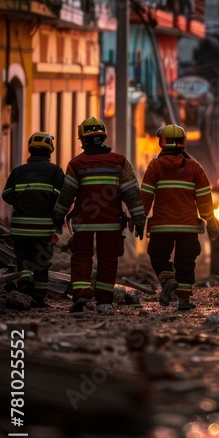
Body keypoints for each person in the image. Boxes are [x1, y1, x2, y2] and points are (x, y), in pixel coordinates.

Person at [52, 117, 146, 314]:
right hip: (111, 223)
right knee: (108, 260)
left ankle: (81, 294)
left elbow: (67, 195)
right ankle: (104, 303)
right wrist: (138, 219)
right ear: (102, 137)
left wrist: (58, 216)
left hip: (83, 222)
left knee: (81, 257)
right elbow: (131, 193)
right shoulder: (119, 162)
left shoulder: (76, 164)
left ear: (82, 139)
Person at [140, 124, 219, 312]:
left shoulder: (155, 166)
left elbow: (145, 197)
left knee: (158, 257)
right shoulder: (194, 167)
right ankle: (183, 301)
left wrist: (139, 218)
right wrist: (211, 221)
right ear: (183, 143)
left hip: (162, 226)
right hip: (188, 227)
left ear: (162, 142)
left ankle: (168, 280)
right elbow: (204, 198)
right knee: (186, 263)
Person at [2, 132, 64, 308]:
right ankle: (38, 297)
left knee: (23, 259)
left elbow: (7, 195)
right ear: (50, 150)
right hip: (43, 229)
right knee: (41, 262)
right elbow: (63, 198)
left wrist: (23, 201)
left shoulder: (18, 171)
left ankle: (24, 289)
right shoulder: (55, 171)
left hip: (20, 228)